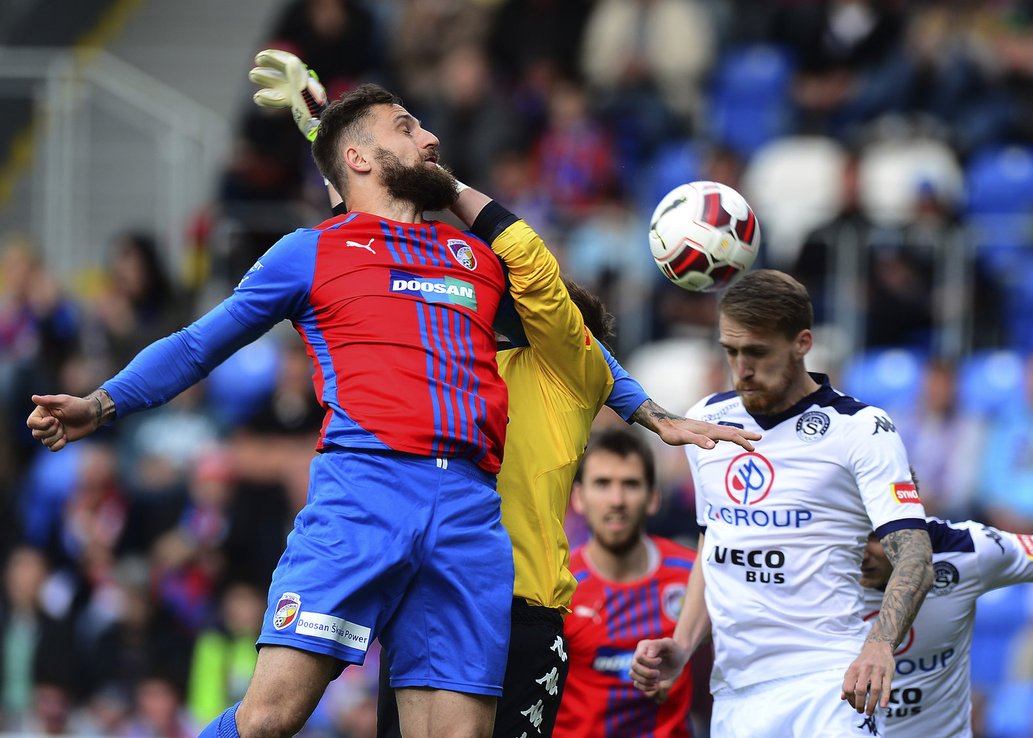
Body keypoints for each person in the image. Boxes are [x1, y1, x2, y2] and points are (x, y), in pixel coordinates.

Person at [246, 50, 760, 738]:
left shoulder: (567, 370)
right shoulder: (463, 353)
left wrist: (650, 412)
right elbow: (387, 235)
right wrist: (327, 134)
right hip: (434, 596)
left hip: (520, 609)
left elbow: (557, 309)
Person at [29, 81, 523, 738]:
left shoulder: (478, 259)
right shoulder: (312, 251)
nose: (431, 137)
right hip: (366, 493)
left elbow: (569, 333)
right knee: (269, 717)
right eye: (408, 127)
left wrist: (643, 409)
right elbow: (200, 343)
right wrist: (103, 400)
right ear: (360, 159)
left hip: (468, 508)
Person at [630, 269, 935, 737]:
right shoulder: (705, 423)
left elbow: (915, 554)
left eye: (757, 352)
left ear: (802, 342)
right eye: (730, 351)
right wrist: (683, 643)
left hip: (831, 682)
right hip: (737, 693)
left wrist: (879, 645)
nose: (742, 369)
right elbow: (715, 548)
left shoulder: (861, 428)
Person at [554, 428, 695, 738]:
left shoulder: (692, 575)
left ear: (653, 498)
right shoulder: (555, 585)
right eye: (602, 484)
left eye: (630, 484)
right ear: (578, 497)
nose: (616, 500)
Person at [860, 515, 1033, 737]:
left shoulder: (967, 548)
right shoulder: (817, 560)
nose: (862, 554)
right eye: (852, 535)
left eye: (875, 537)